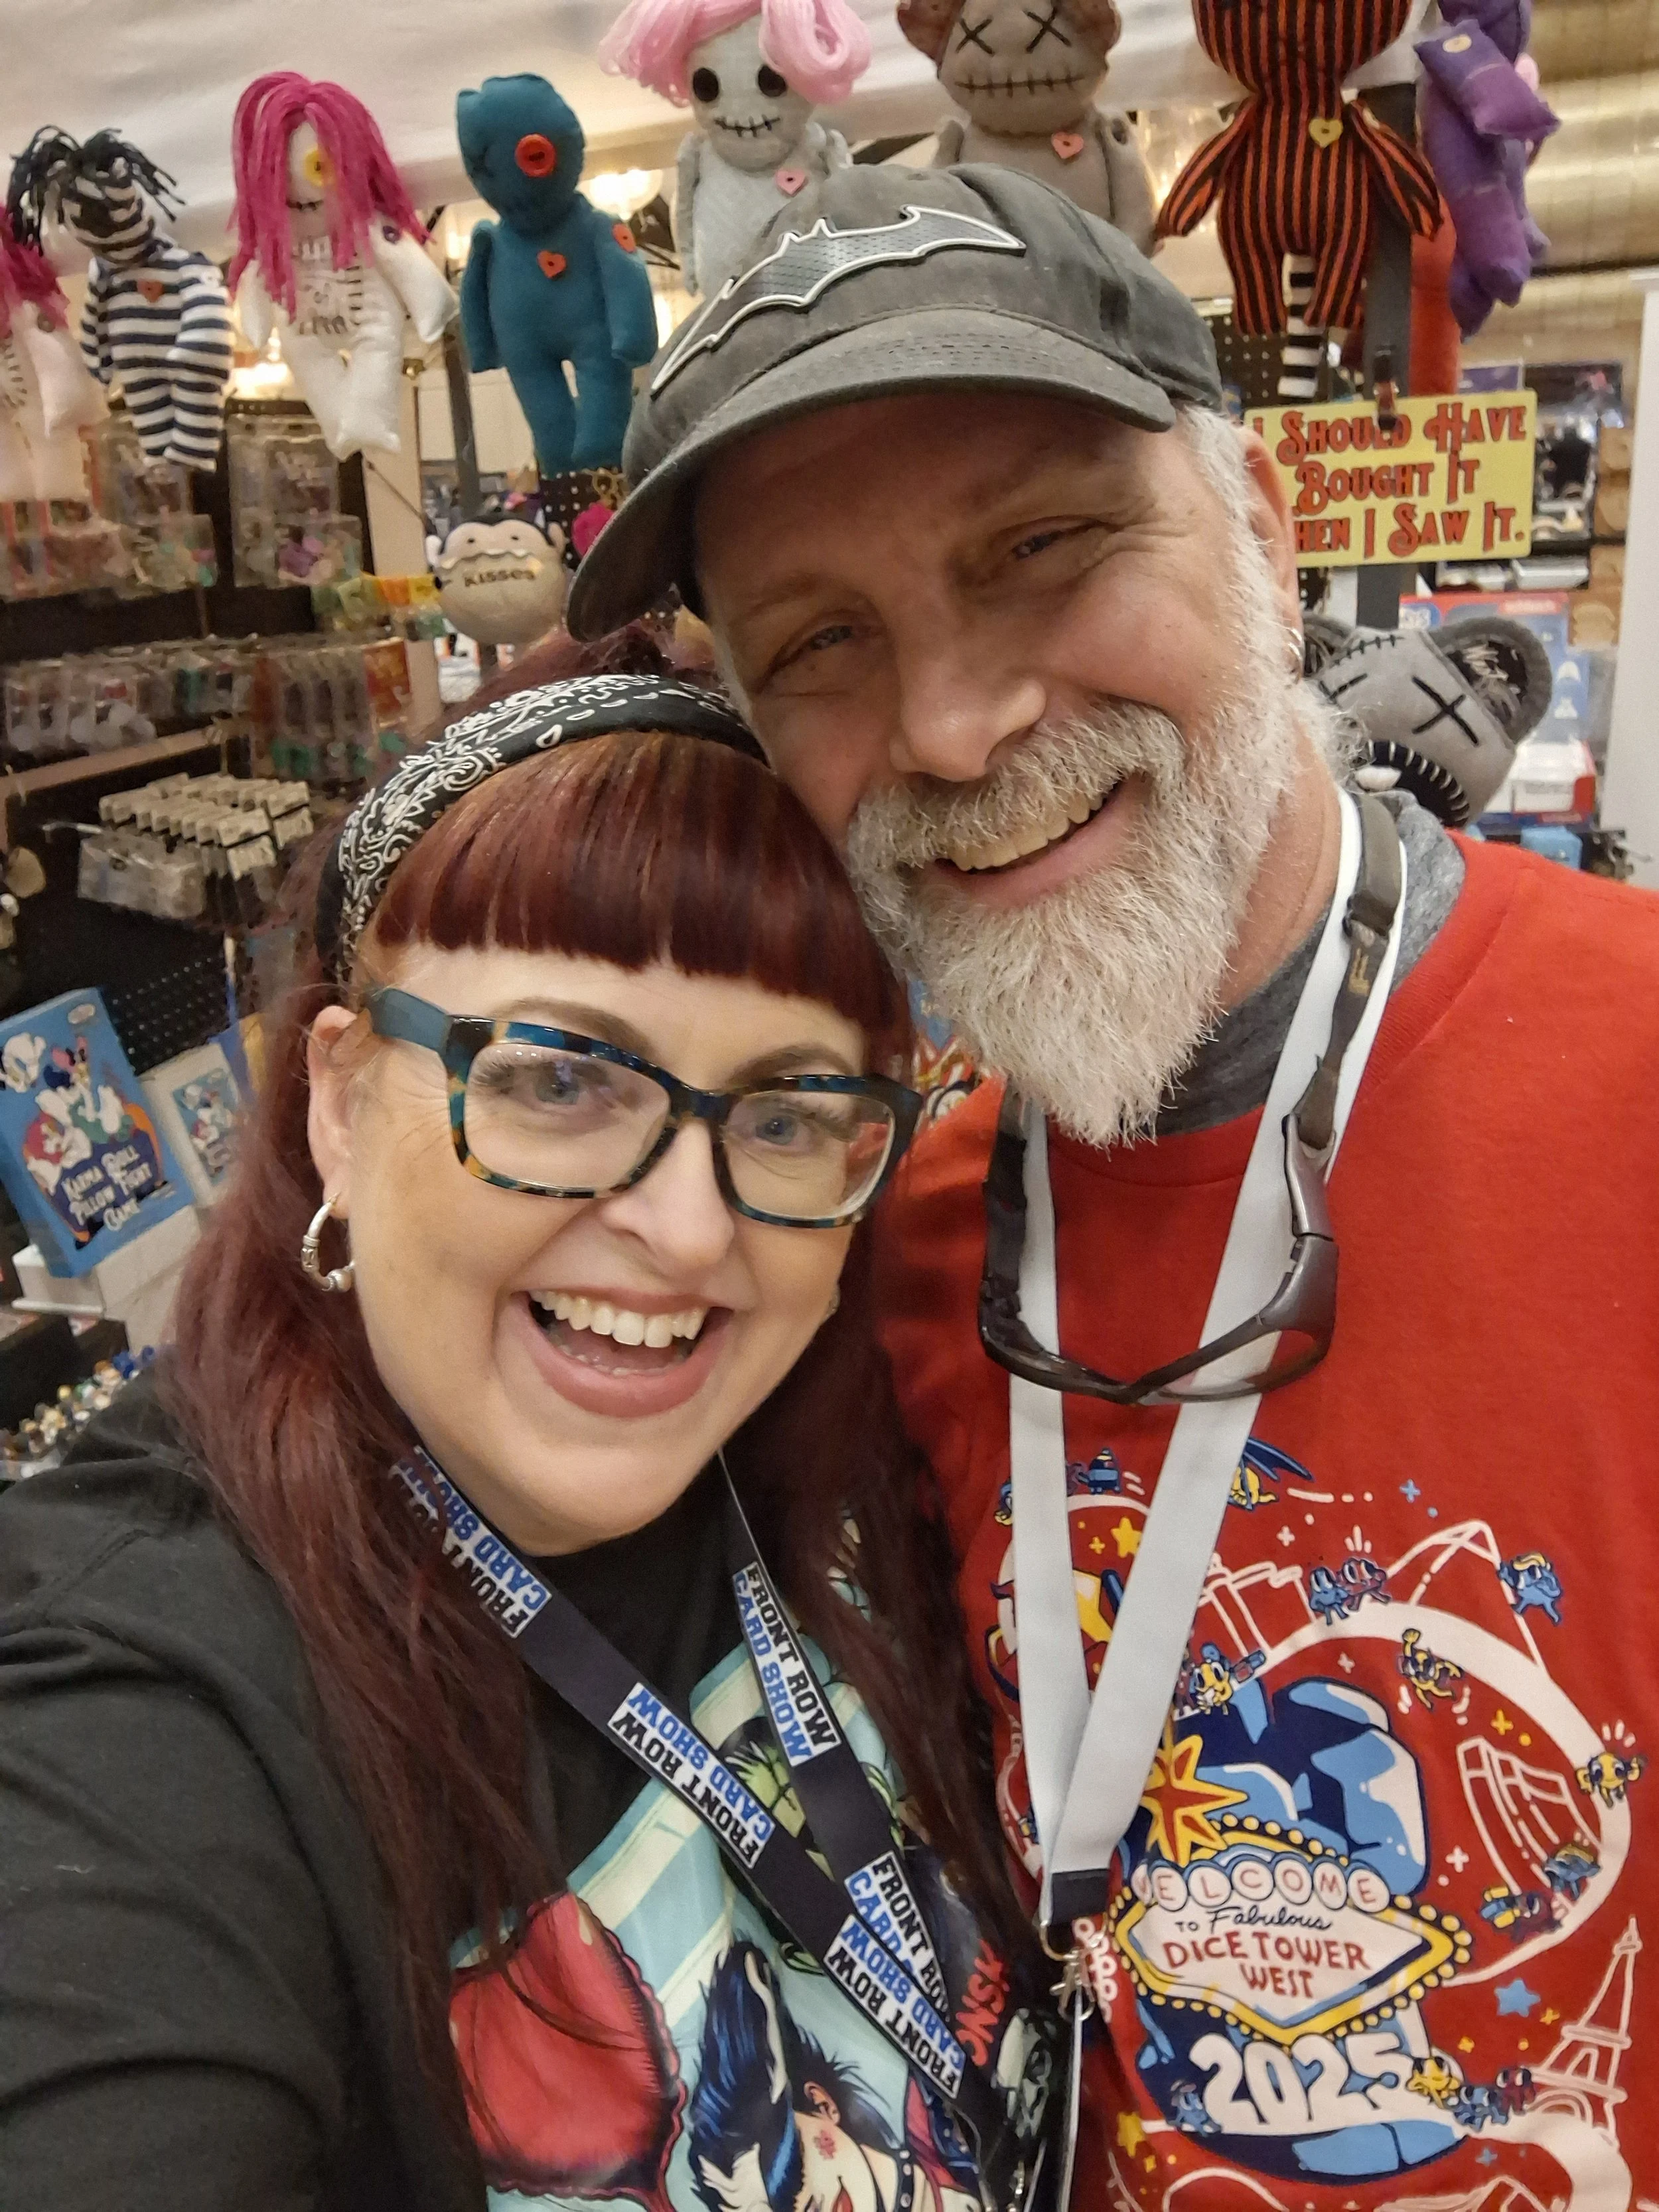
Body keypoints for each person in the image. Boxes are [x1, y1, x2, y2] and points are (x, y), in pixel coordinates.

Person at [567, 161, 1659, 2206]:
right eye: (822, 642)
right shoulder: (864, 1251)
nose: (957, 725)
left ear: (1258, 523)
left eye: (1044, 547)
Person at [0, 672, 1059, 2212]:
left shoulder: (828, 1452)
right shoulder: (140, 1706)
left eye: (782, 1112)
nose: (688, 1229)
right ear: (343, 1106)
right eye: (561, 1080)